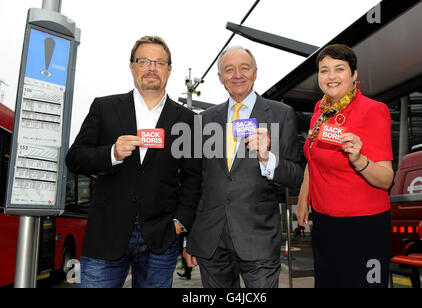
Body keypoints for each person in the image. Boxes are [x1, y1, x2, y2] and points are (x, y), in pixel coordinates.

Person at [65, 36, 202, 288]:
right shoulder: (104, 108)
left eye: (160, 62)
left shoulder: (189, 120)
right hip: (106, 234)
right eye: (144, 61)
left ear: (169, 70)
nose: (152, 68)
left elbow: (193, 180)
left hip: (161, 239)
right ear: (132, 66)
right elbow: (74, 159)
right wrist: (112, 154)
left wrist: (180, 224)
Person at [184, 46, 303, 288]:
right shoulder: (203, 120)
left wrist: (267, 157)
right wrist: (189, 239)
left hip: (257, 238)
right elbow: (194, 183)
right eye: (229, 70)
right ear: (220, 78)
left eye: (244, 68)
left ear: (255, 72)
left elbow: (296, 176)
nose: (237, 75)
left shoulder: (281, 114)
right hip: (211, 242)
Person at [296, 44, 394, 288]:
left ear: (354, 74)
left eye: (339, 69)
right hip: (325, 222)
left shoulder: (374, 111)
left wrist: (359, 159)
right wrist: (303, 199)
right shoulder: (321, 110)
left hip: (363, 226)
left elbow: (386, 179)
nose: (331, 77)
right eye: (324, 70)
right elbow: (313, 160)